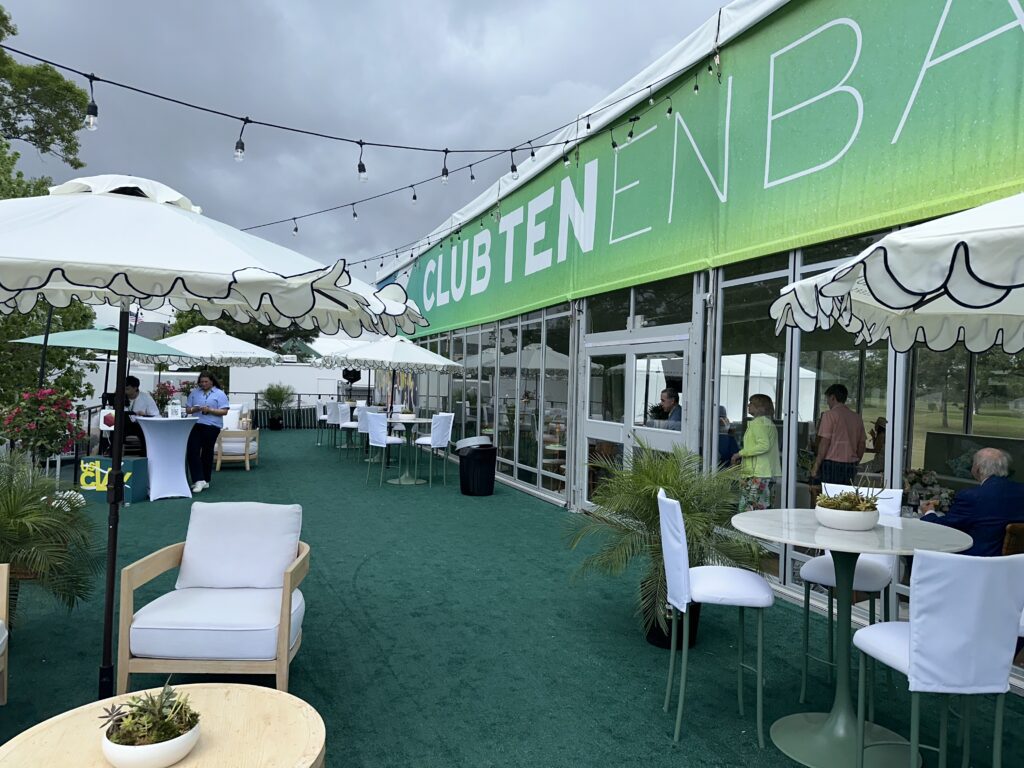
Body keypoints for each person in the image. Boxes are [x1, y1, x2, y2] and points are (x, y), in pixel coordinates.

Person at [920, 448, 1024, 556]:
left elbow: (944, 528)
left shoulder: (972, 496)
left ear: (977, 469)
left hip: (975, 561)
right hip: (1016, 563)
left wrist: (929, 512)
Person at [809, 384, 865, 500]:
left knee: (829, 499)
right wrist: (856, 460)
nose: (827, 403)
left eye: (828, 399)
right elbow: (861, 444)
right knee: (845, 499)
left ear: (833, 397)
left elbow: (825, 442)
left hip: (831, 464)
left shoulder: (829, 415)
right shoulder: (856, 417)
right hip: (850, 464)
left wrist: (816, 465)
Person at [732, 394, 782, 510]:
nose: (748, 405)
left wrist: (740, 453)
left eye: (751, 403)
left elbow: (763, 445)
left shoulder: (758, 423)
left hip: (756, 473)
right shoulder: (768, 423)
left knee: (748, 509)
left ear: (760, 407)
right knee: (763, 508)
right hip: (766, 472)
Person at [185, 372, 230, 493]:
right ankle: (198, 480)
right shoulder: (194, 393)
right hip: (195, 424)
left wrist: (209, 410)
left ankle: (205, 480)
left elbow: (224, 411)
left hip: (212, 425)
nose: (203, 384)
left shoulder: (219, 394)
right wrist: (194, 409)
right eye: (201, 382)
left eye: (206, 382)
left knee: (207, 452)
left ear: (212, 381)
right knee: (192, 450)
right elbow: (188, 409)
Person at [124, 375, 159, 456]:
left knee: (145, 435)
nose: (125, 391)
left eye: (127, 389)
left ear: (135, 388)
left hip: (140, 425)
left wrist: (144, 415)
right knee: (116, 432)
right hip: (125, 425)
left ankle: (144, 456)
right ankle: (117, 455)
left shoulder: (146, 398)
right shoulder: (121, 397)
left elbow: (155, 414)